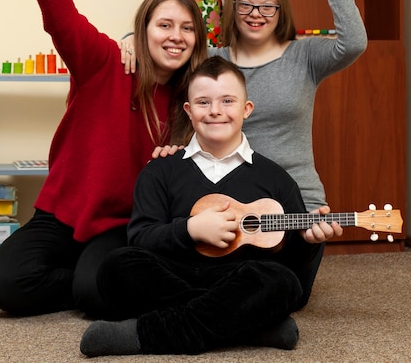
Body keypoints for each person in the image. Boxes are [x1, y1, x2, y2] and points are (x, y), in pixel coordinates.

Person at [0, 0, 208, 317]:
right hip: (62, 212)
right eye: (164, 25)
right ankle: (89, 274)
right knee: (5, 285)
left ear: (197, 40)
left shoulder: (195, 100)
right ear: (143, 29)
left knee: (95, 297)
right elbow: (63, 20)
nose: (175, 36)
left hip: (124, 224)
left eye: (187, 29)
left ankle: (95, 277)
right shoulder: (105, 61)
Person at [121, 0, 367, 307]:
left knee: (282, 289)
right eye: (247, 4)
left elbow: (354, 44)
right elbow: (171, 46)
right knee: (226, 285)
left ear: (282, 10)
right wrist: (130, 39)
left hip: (293, 206)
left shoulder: (305, 56)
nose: (257, 13)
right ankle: (235, 319)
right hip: (220, 201)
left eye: (268, 5)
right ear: (232, 7)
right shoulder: (212, 58)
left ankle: (202, 314)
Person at [80, 56, 342, 357]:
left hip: (239, 278)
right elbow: (141, 237)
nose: (216, 111)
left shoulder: (276, 179)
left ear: (247, 110)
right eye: (204, 103)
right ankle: (249, 327)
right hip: (174, 274)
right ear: (189, 111)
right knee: (117, 267)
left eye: (228, 101)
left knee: (282, 282)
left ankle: (143, 335)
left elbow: (292, 265)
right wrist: (189, 229)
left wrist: (309, 243)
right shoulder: (160, 171)